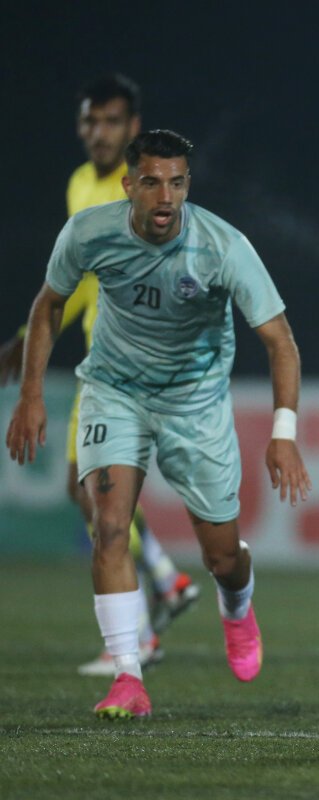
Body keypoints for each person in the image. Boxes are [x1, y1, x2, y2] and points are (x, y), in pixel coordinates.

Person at [5, 129, 312, 719]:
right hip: (114, 392)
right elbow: (49, 304)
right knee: (109, 527)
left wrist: (284, 435)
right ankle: (128, 676)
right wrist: (31, 395)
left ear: (188, 185)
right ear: (128, 186)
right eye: (151, 182)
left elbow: (281, 342)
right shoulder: (89, 232)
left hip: (195, 404)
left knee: (223, 556)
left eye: (176, 182)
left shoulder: (223, 246)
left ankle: (236, 608)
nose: (165, 196)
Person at [0, 74, 201, 677]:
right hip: (100, 356)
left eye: (111, 121)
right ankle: (163, 584)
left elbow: (91, 282)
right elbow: (82, 278)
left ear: (132, 127)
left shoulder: (135, 189)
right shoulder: (79, 183)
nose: (99, 132)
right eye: (90, 120)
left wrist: (30, 339)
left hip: (126, 359)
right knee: (84, 489)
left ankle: (144, 625)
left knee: (97, 495)